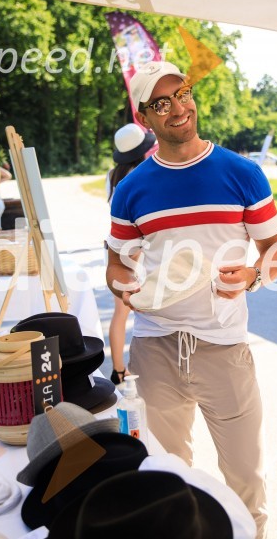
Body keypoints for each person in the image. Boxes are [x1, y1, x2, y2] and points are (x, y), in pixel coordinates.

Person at [106, 61, 277, 537]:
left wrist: (250, 275)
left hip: (224, 348)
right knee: (168, 477)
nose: (176, 109)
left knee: (246, 478)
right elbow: (118, 263)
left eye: (181, 94)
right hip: (156, 347)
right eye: (160, 104)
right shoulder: (131, 190)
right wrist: (122, 284)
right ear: (146, 118)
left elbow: (276, 252)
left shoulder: (243, 173)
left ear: (192, 96)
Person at [105, 122, 157, 385]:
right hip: (134, 245)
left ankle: (118, 369)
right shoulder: (143, 176)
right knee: (141, 307)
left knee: (120, 311)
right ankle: (135, 368)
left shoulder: (112, 175)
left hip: (114, 243)